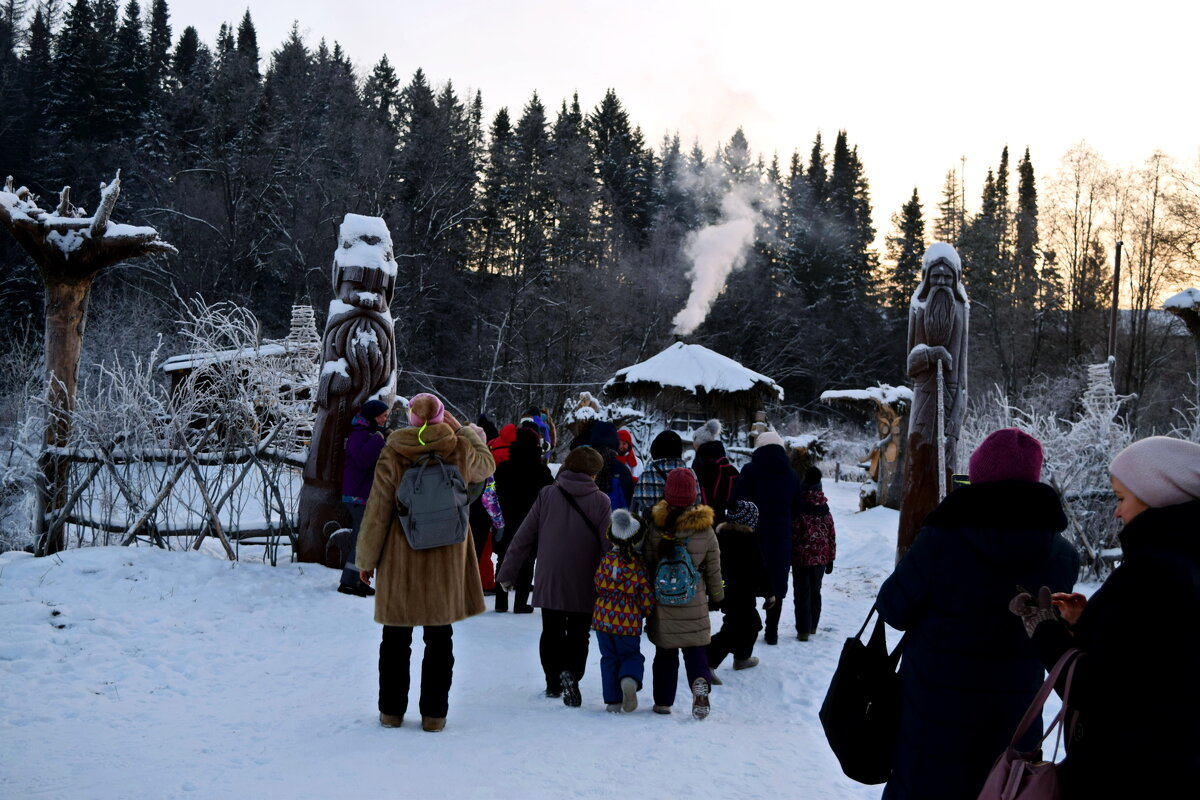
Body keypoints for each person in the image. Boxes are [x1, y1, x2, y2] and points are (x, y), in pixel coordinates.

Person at [876, 428, 1080, 800]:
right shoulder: (1063, 555)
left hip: (934, 718)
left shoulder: (942, 538)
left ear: (979, 475)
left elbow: (893, 608)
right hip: (1015, 721)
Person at [1010, 436, 1200, 799]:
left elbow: (1096, 687)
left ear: (1158, 498)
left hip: (1128, 771)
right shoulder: (1182, 564)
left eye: (1121, 498)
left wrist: (1044, 629)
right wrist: (1089, 622)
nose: (1116, 511)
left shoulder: (1155, 574)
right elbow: (1147, 663)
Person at [354, 393, 496, 733]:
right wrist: (460, 428)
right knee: (439, 638)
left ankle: (391, 712)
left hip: (400, 560)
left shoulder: (394, 450)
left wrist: (366, 559)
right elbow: (487, 465)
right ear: (441, 418)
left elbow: (378, 510)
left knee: (395, 638)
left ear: (411, 420)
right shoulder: (457, 447)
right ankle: (434, 716)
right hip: (445, 559)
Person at [497, 446, 612, 705]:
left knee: (551, 631)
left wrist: (508, 571)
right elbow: (609, 545)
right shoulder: (601, 501)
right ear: (594, 474)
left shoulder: (548, 494)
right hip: (586, 577)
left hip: (551, 576)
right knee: (579, 633)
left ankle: (553, 681)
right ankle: (572, 674)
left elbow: (524, 536)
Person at [644, 468, 723, 719]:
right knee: (696, 649)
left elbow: (647, 563)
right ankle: (700, 685)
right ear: (694, 495)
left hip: (663, 602)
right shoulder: (706, 529)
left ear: (667, 493)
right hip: (694, 599)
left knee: (665, 653)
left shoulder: (655, 527)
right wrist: (718, 594)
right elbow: (714, 568)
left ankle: (663, 702)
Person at [731, 430, 801, 644]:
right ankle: (772, 632)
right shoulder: (791, 475)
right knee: (776, 583)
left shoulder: (750, 470)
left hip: (753, 536)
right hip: (781, 538)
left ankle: (747, 630)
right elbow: (798, 509)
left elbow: (737, 502)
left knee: (750, 581)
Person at [592, 508, 655, 713]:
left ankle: (613, 701)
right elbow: (645, 596)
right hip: (627, 620)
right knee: (630, 655)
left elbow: (598, 583)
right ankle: (629, 680)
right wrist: (646, 612)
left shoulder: (607, 559)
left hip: (602, 618)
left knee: (608, 658)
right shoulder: (638, 565)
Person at [708, 500, 774, 677]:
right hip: (741, 594)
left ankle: (741, 658)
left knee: (751, 625)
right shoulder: (749, 542)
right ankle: (707, 660)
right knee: (734, 630)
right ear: (750, 521)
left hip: (725, 591)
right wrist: (769, 594)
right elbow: (760, 570)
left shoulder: (721, 538)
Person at [492, 427, 554, 613]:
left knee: (503, 559)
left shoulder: (503, 468)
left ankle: (501, 602)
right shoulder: (541, 471)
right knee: (527, 561)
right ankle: (520, 603)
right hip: (532, 522)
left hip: (506, 520)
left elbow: (493, 493)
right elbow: (551, 495)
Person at [336, 398, 391, 596]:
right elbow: (361, 460)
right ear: (374, 416)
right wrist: (378, 439)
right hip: (357, 496)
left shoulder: (368, 433)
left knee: (366, 538)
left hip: (365, 494)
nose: (386, 419)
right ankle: (349, 582)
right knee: (361, 539)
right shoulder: (359, 434)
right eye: (383, 415)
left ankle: (360, 580)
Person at [791, 466, 836, 640]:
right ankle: (813, 627)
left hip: (801, 558)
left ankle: (802, 630)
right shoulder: (825, 507)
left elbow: (794, 532)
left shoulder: (799, 505)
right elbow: (831, 534)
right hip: (821, 558)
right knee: (815, 592)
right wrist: (831, 558)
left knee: (802, 593)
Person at [630, 430, 699, 517]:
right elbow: (697, 501)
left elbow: (638, 501)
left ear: (655, 450)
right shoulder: (690, 473)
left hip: (654, 527)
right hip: (686, 525)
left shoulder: (649, 472)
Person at [691, 420, 739, 525]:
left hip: (703, 513)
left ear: (699, 442)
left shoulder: (700, 461)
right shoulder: (720, 456)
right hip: (722, 513)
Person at [589, 421, 635, 510]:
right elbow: (628, 506)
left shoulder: (579, 465)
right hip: (612, 521)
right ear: (615, 442)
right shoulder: (622, 471)